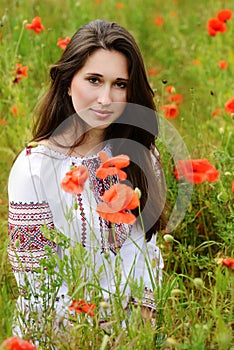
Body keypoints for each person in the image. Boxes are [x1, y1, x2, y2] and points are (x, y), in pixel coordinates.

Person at [7, 19, 166, 337]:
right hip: (57, 333)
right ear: (68, 82)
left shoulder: (141, 156)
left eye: (120, 84)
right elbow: (35, 280)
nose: (106, 98)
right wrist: (84, 335)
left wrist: (139, 330)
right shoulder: (34, 167)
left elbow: (146, 253)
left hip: (131, 332)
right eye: (94, 80)